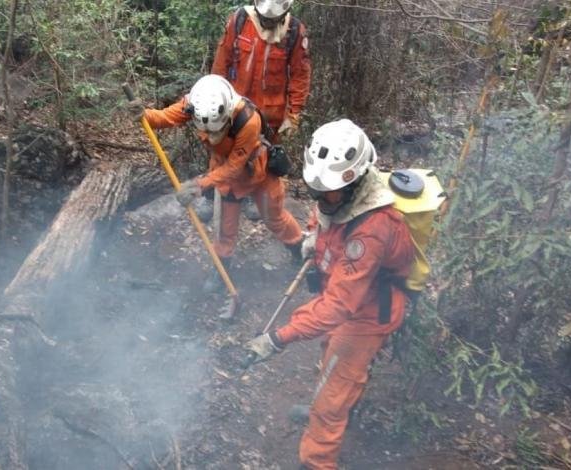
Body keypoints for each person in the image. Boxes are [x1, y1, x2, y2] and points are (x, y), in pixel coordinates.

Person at [244, 119, 416, 469]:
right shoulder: (339, 198)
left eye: (330, 193)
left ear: (354, 182)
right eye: (317, 191)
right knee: (332, 362)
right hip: (352, 300)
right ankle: (335, 398)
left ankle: (318, 457)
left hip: (366, 315)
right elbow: (323, 217)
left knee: (330, 403)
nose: (322, 199)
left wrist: (278, 338)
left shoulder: (373, 229)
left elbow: (338, 305)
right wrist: (312, 237)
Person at [141, 74, 304, 292]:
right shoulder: (195, 104)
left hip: (257, 171)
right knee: (225, 227)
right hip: (224, 174)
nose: (211, 134)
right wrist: (144, 114)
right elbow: (163, 118)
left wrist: (200, 185)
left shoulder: (248, 120)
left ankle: (298, 249)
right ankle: (222, 271)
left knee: (275, 218)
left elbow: (235, 166)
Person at [208, 0, 311, 221]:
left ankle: (265, 206)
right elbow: (221, 62)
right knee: (226, 158)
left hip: (270, 118)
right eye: (265, 19)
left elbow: (300, 76)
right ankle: (222, 201)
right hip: (235, 112)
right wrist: (214, 96)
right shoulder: (240, 20)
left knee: (264, 165)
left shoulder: (294, 32)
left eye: (272, 20)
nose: (268, 23)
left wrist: (293, 114)